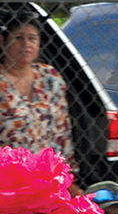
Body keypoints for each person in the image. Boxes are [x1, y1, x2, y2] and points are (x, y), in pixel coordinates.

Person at [1, 12, 78, 178]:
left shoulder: (50, 77)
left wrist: (67, 174)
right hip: (8, 177)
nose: (26, 44)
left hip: (47, 174)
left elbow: (63, 130)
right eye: (18, 38)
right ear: (3, 41)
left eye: (32, 39)